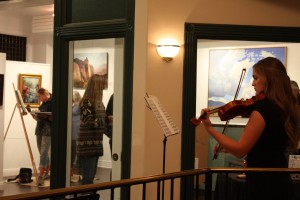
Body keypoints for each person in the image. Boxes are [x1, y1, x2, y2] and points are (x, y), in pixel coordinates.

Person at [201, 57, 300, 200]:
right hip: (279, 181)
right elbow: (268, 146)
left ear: (268, 80)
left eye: (255, 78)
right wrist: (226, 147)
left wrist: (210, 129)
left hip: (264, 185)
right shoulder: (283, 107)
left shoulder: (264, 108)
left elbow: (240, 150)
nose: (253, 83)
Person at [77, 74, 107, 185]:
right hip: (88, 144)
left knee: (90, 176)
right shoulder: (86, 101)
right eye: (101, 85)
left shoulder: (99, 102)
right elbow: (89, 122)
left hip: (96, 142)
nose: (103, 88)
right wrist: (105, 120)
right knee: (87, 178)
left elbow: (100, 120)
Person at [34, 88, 52, 186]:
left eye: (39, 96)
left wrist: (46, 116)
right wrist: (35, 115)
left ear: (44, 94)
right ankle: (47, 172)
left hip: (47, 130)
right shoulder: (43, 104)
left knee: (44, 152)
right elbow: (39, 118)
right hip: (39, 129)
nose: (39, 98)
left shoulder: (53, 102)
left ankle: (41, 175)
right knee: (41, 151)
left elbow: (54, 117)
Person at [71, 91, 81, 176]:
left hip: (76, 128)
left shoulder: (78, 106)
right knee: (74, 148)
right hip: (74, 128)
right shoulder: (75, 105)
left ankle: (76, 166)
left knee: (76, 148)